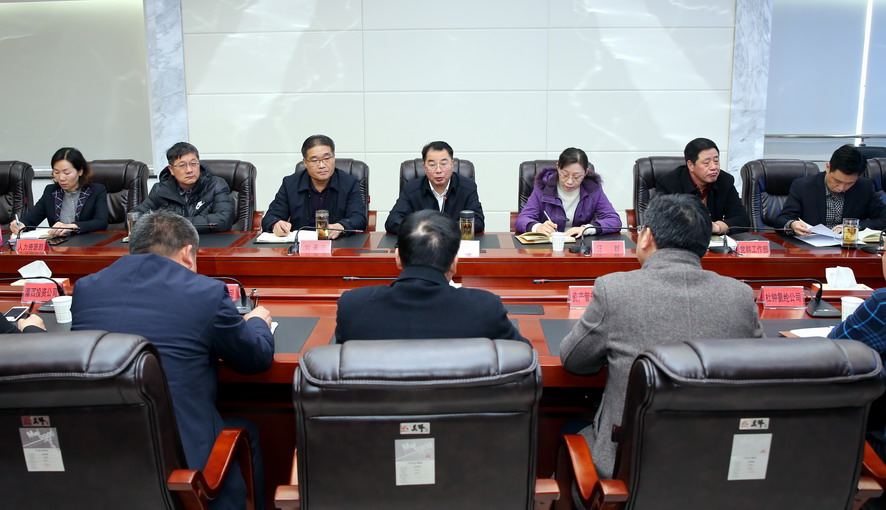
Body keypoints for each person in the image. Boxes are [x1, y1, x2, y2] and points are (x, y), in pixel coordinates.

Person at [71, 210, 274, 510]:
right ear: (187, 253)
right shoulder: (205, 292)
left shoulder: (86, 288)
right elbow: (255, 358)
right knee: (247, 430)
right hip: (182, 465)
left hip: (100, 452)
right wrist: (257, 322)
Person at [559, 194, 762, 480]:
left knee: (568, 430)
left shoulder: (615, 290)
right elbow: (758, 371)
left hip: (629, 469)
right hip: (718, 466)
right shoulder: (739, 296)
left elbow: (574, 361)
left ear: (646, 237)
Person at [336, 209, 527, 343]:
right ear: (454, 263)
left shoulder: (353, 306)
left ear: (398, 258)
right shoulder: (485, 307)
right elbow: (525, 360)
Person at [262, 134, 366, 238]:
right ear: (305, 162)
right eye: (315, 160)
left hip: (337, 243)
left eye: (326, 158)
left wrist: (340, 226)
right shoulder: (290, 184)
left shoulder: (349, 183)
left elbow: (359, 218)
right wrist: (275, 224)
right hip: (301, 245)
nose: (322, 165)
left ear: (334, 157)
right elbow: (270, 217)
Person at [776, 144, 886, 235]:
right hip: (810, 247)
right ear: (828, 167)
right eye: (837, 181)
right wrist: (792, 224)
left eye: (849, 183)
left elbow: (883, 219)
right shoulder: (803, 186)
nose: (842, 188)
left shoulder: (864, 187)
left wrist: (853, 226)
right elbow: (782, 219)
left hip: (848, 247)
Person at [515, 147, 622, 236]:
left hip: (580, 247)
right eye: (565, 175)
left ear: (585, 173)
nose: (570, 181)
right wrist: (538, 227)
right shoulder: (543, 186)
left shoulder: (593, 189)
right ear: (558, 167)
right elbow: (522, 219)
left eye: (577, 176)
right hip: (548, 246)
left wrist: (586, 229)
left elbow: (614, 220)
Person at [385, 141, 485, 234]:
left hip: (456, 243)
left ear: (452, 164)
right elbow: (392, 221)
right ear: (424, 167)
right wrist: (424, 229)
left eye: (443, 164)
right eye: (432, 165)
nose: (438, 170)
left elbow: (478, 222)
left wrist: (439, 228)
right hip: (422, 243)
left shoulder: (467, 187)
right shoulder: (411, 189)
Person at [133, 142, 234, 233]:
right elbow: (135, 217)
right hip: (173, 244)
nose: (189, 170)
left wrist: (170, 224)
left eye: (193, 164)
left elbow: (224, 220)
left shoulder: (216, 185)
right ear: (171, 169)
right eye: (182, 165)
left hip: (209, 242)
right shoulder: (160, 189)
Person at [655, 137, 749, 233]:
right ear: (691, 165)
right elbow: (661, 223)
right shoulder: (668, 184)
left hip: (714, 240)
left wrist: (717, 227)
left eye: (716, 161)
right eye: (706, 163)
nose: (714, 167)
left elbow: (742, 219)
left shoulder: (725, 181)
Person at [11, 147, 108, 237]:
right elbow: (31, 219)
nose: (61, 178)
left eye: (67, 173)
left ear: (80, 171)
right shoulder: (51, 191)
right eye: (56, 172)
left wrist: (72, 226)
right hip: (58, 244)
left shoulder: (96, 191)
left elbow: (101, 222)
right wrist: (21, 224)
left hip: (87, 244)